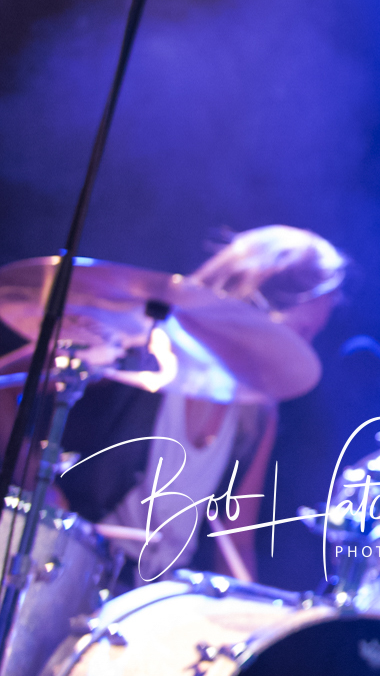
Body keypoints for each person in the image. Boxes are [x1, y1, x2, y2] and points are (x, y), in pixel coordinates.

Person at [54, 224, 345, 583]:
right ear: (254, 302)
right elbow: (10, 384)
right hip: (74, 574)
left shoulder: (259, 413)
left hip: (159, 597)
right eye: (302, 331)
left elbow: (235, 543)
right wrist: (46, 492)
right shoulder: (144, 349)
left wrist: (252, 614)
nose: (304, 349)